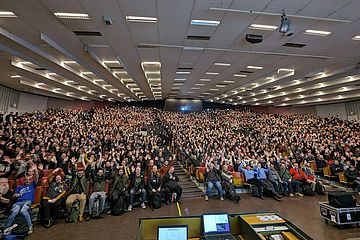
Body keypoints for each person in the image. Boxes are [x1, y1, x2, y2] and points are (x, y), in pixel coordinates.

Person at [4, 167, 38, 236]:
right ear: (24, 180)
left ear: (31, 180)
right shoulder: (19, 187)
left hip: (27, 201)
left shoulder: (32, 185)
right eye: (26, 180)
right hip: (18, 202)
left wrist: (35, 170)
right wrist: (16, 195)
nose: (27, 181)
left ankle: (30, 226)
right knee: (14, 211)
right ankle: (6, 227)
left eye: (29, 179)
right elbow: (13, 197)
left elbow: (36, 177)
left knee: (23, 210)